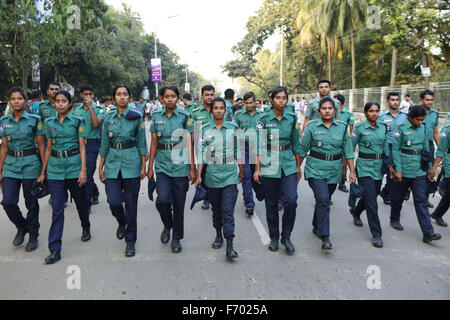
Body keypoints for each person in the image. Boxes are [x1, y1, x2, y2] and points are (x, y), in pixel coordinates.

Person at [38, 90, 90, 264]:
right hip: (55, 170)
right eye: (57, 101)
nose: (60, 104)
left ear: (69, 103)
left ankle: (86, 226)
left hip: (74, 167)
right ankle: (54, 248)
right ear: (54, 103)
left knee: (81, 203)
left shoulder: (77, 121)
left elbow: (82, 146)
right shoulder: (49, 123)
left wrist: (83, 170)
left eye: (63, 101)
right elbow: (48, 148)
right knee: (57, 209)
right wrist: (43, 171)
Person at [298, 96, 356, 250]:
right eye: (324, 108)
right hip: (315, 169)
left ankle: (317, 225)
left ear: (334, 110)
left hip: (334, 170)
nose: (327, 111)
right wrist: (297, 168)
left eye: (330, 108)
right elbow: (303, 149)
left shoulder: (342, 127)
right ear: (319, 111)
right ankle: (325, 236)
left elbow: (348, 151)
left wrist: (352, 171)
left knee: (324, 199)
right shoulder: (311, 126)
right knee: (323, 199)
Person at [99, 84, 147, 257]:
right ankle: (122, 221)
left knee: (131, 205)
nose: (121, 97)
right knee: (114, 202)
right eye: (118, 94)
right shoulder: (108, 117)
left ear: (129, 97)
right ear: (114, 98)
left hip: (131, 162)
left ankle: (130, 241)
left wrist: (144, 166)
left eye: (125, 94)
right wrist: (100, 165)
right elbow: (104, 142)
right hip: (112, 163)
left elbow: (142, 142)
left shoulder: (136, 117)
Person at [147, 86, 196, 253]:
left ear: (178, 98)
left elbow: (190, 142)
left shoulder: (185, 116)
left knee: (179, 203)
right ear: (161, 98)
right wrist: (149, 167)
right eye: (167, 96)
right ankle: (167, 225)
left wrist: (192, 167)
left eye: (173, 96)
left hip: (180, 164)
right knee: (163, 200)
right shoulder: (156, 117)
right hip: (162, 165)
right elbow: (154, 143)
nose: (170, 99)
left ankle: (176, 237)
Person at [254, 86, 302, 253]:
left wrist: (298, 166)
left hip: (288, 163)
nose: (281, 101)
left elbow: (296, 143)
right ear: (272, 100)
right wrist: (257, 169)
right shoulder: (263, 118)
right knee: (271, 203)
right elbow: (259, 145)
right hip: (269, 162)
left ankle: (286, 236)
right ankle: (274, 237)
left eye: (284, 98)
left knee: (291, 200)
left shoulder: (292, 118)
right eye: (278, 98)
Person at [196, 97, 243, 259]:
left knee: (227, 210)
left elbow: (238, 150)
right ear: (211, 111)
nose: (218, 110)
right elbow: (201, 153)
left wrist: (242, 170)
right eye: (215, 108)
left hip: (230, 173)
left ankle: (230, 245)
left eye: (221, 108)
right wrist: (198, 175)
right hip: (212, 174)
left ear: (225, 110)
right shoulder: (204, 130)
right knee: (216, 210)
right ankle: (218, 234)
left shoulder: (232, 128)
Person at [0, 87, 45, 252]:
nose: (16, 101)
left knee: (31, 202)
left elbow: (41, 146)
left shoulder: (34, 119)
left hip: (31, 164)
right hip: (11, 165)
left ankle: (33, 234)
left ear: (25, 101)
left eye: (19, 98)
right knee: (8, 202)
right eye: (13, 99)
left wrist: (43, 171)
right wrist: (0, 170)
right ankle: (22, 226)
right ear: (10, 102)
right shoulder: (4, 121)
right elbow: (4, 146)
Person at [389, 105, 441, 244]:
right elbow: (395, 149)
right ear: (411, 117)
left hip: (419, 169)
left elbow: (426, 149)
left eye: (422, 120)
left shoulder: (422, 127)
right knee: (398, 196)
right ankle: (394, 219)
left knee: (420, 200)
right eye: (417, 120)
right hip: (404, 167)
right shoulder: (401, 127)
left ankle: (428, 232)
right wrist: (397, 169)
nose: (419, 122)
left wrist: (430, 167)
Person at [350, 102, 389, 248]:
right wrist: (351, 170)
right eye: (371, 111)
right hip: (364, 168)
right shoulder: (359, 128)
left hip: (378, 168)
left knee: (370, 196)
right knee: (372, 202)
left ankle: (356, 211)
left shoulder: (383, 128)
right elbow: (350, 148)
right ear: (365, 113)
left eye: (377, 111)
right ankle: (377, 234)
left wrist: (390, 166)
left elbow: (386, 148)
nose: (374, 113)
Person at [71, 84, 106, 210]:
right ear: (81, 95)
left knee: (88, 171)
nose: (88, 97)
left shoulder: (100, 109)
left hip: (92, 144)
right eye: (85, 94)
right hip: (78, 144)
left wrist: (90, 107)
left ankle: (86, 202)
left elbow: (96, 123)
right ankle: (95, 191)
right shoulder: (75, 110)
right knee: (81, 172)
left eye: (90, 94)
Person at [234, 92, 263, 216]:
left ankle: (255, 194)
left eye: (251, 102)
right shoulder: (239, 115)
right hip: (243, 148)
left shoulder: (262, 116)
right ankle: (250, 204)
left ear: (255, 102)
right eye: (246, 103)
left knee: (257, 175)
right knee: (246, 175)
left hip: (258, 148)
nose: (249, 105)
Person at [378, 92, 408, 205]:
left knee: (397, 171)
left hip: (400, 148)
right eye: (392, 100)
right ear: (388, 101)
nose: (395, 102)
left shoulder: (405, 116)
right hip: (388, 147)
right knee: (391, 171)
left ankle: (385, 192)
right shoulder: (382, 117)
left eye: (397, 99)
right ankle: (390, 195)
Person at [192, 85, 216, 210]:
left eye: (211, 94)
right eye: (207, 94)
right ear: (202, 96)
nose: (209, 97)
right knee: (204, 173)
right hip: (202, 147)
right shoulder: (196, 113)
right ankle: (206, 199)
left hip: (218, 148)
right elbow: (194, 133)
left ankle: (215, 197)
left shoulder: (219, 109)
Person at [421, 89, 440, 209]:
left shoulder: (435, 113)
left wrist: (441, 148)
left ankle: (425, 198)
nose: (430, 102)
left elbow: (435, 132)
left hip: (429, 145)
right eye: (427, 99)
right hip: (415, 145)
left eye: (431, 100)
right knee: (412, 170)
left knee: (430, 171)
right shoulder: (414, 111)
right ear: (422, 100)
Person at [430, 123, 450, 227]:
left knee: (448, 195)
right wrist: (434, 169)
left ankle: (437, 214)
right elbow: (441, 150)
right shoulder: (447, 130)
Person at [334, 94, 355, 193]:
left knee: (344, 164)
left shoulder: (348, 113)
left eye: (335, 101)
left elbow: (351, 128)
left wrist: (351, 144)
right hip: (332, 141)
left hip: (343, 141)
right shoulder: (331, 112)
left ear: (340, 103)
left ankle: (342, 182)